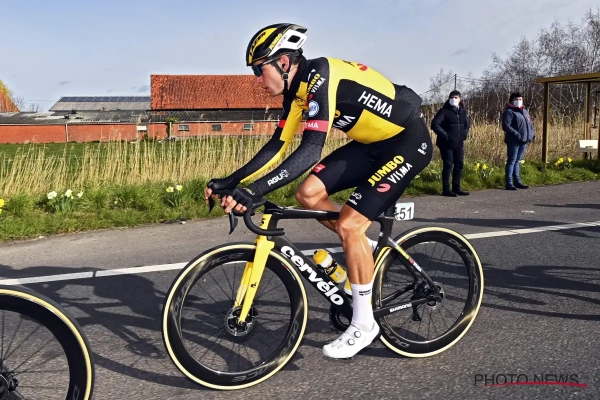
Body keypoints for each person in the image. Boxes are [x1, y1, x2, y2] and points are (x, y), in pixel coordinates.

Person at [204, 23, 433, 359]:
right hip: (370, 144)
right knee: (308, 194)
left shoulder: (320, 76)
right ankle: (364, 247)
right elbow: (276, 147)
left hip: (407, 141)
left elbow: (311, 150)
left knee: (349, 225)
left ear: (283, 62)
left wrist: (254, 192)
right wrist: (233, 181)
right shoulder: (296, 94)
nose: (257, 79)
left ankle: (364, 324)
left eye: (259, 70)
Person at [430, 90, 470, 196]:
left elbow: (467, 124)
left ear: (460, 99)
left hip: (459, 143)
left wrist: (464, 134)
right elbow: (435, 124)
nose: (453, 99)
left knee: (459, 164)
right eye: (452, 97)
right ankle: (446, 189)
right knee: (448, 165)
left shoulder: (463, 112)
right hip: (446, 143)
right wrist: (445, 135)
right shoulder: (444, 111)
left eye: (456, 97)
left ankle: (457, 188)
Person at [502, 92, 535, 190]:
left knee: (517, 161)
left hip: (523, 140)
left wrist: (531, 134)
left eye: (520, 99)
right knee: (511, 161)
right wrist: (516, 134)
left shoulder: (524, 111)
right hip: (513, 140)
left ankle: (517, 181)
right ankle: (509, 182)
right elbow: (506, 125)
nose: (518, 101)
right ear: (512, 101)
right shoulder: (509, 112)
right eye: (516, 99)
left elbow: (529, 124)